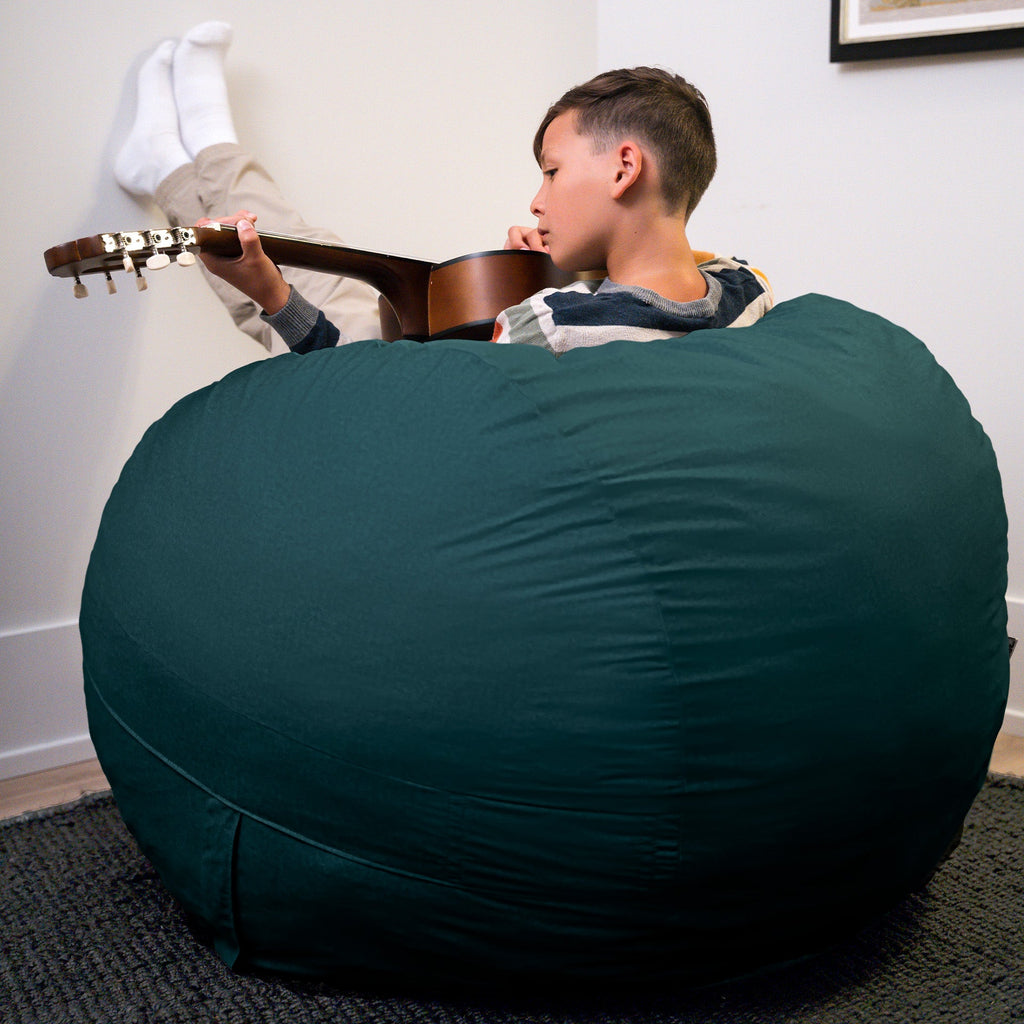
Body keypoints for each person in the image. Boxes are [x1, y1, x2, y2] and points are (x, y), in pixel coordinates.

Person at [116, 23, 772, 357]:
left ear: (624, 170)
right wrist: (585, 268)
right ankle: (180, 161)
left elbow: (370, 391)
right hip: (481, 325)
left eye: (551, 171)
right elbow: (670, 288)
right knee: (317, 256)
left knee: (300, 274)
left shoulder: (548, 327)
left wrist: (274, 299)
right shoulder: (747, 290)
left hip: (379, 357)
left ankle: (196, 154)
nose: (537, 201)